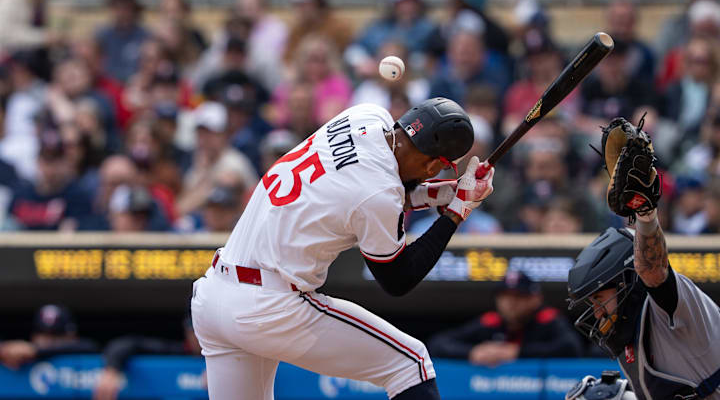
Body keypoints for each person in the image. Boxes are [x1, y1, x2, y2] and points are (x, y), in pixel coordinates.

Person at [191, 97, 494, 400]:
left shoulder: (365, 115)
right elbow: (398, 279)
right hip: (269, 307)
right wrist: (456, 212)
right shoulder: (379, 194)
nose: (432, 175)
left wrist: (438, 196)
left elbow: (353, 190)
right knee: (411, 364)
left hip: (215, 295)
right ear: (432, 165)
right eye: (437, 171)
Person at [567, 120, 720, 399]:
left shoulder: (668, 308)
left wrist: (644, 213)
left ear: (627, 283)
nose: (598, 312)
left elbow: (653, 270)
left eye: (600, 298)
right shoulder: (629, 338)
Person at [427, 270, 582, 366]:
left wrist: (516, 352)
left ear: (535, 299)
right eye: (505, 297)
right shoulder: (491, 321)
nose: (510, 303)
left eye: (518, 297)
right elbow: (438, 343)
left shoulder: (547, 319)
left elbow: (572, 347)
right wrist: (472, 352)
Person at [92, 317, 201, 400]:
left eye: (200, 329)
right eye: (192, 330)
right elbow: (129, 343)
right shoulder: (175, 351)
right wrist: (112, 369)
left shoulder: (217, 361)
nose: (196, 336)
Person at [0, 304, 98, 370]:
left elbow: (91, 346)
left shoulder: (82, 350)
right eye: (44, 334)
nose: (49, 340)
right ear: (34, 336)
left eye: (56, 334)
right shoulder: (20, 356)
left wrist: (36, 351)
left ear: (71, 336)